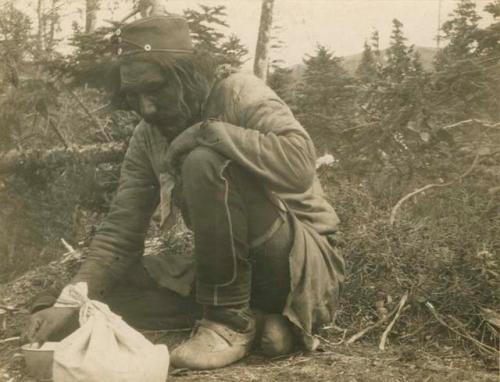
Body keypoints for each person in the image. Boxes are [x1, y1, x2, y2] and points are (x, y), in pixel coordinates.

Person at [24, 15, 345, 370]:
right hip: (226, 269)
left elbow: (300, 166)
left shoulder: (239, 92)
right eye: (135, 95)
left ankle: (230, 322)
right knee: (94, 296)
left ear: (186, 75)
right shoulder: (148, 135)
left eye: (156, 88)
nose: (146, 108)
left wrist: (207, 132)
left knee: (203, 161)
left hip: (294, 263)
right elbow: (119, 233)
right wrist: (67, 303)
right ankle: (266, 321)